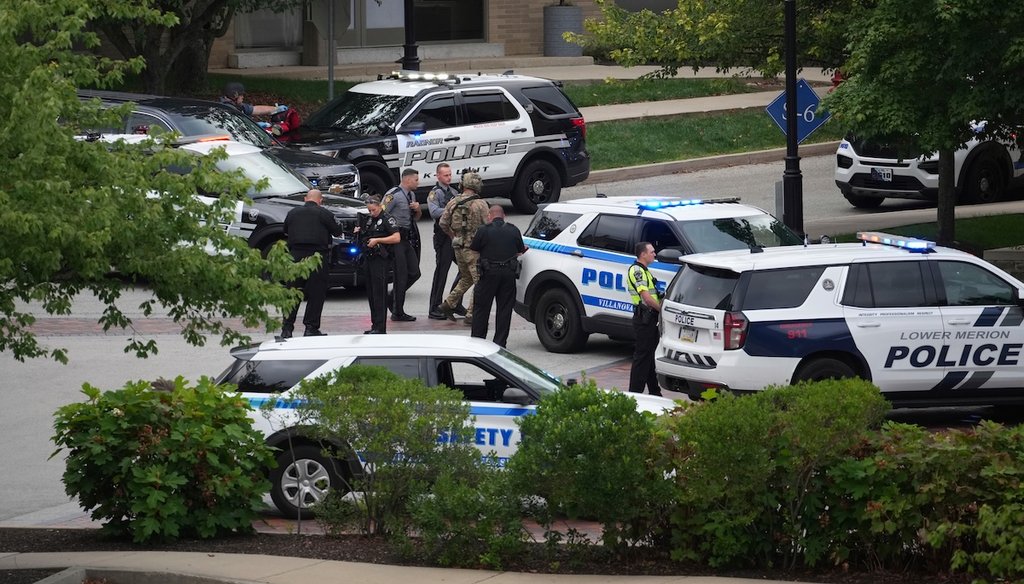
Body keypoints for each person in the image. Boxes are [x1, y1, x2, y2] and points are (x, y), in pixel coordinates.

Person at [281, 189, 344, 338]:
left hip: (295, 255)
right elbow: (337, 230)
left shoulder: (292, 213)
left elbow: (285, 230)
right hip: (317, 257)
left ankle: (287, 328)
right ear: (320, 200)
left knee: (292, 292)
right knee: (316, 294)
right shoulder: (324, 213)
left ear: (305, 199)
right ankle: (311, 328)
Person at [469, 205, 527, 348]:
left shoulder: (484, 230)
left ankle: (478, 341)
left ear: (490, 216)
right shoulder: (514, 230)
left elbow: (474, 247)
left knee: (481, 308)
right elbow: (521, 250)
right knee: (504, 309)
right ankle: (500, 343)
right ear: (504, 216)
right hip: (508, 274)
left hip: (488, 273)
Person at [438, 172, 489, 325]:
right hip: (474, 249)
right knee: (479, 281)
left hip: (458, 247)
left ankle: (448, 303)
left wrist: (453, 236)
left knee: (466, 278)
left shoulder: (453, 202)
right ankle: (472, 314)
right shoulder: (481, 204)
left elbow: (443, 223)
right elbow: (488, 225)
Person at [381, 168, 422, 321]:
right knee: (401, 275)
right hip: (395, 239)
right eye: (416, 180)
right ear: (407, 180)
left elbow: (416, 219)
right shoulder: (394, 195)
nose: (418, 182)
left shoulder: (411, 195)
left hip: (406, 239)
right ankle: (398, 312)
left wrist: (418, 210)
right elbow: (381, 213)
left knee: (415, 272)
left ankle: (393, 297)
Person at [356, 195, 400, 334]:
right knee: (371, 293)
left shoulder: (387, 219)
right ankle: (375, 325)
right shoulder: (370, 220)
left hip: (381, 260)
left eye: (373, 210)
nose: (371, 213)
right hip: (369, 258)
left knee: (379, 293)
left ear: (380, 206)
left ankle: (381, 327)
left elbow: (396, 237)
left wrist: (378, 240)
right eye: (369, 210)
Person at [426, 163, 462, 320]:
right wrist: (451, 208)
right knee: (442, 271)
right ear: (438, 176)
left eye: (450, 174)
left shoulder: (454, 192)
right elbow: (434, 212)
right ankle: (434, 307)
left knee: (465, 268)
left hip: (454, 236)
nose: (448, 177)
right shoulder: (435, 193)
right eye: (445, 175)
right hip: (442, 237)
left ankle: (454, 303)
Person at [627, 241, 663, 396]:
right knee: (642, 358)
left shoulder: (645, 271)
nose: (654, 254)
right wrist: (662, 310)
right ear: (643, 254)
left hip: (649, 319)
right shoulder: (637, 271)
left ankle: (655, 393)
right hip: (644, 319)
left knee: (648, 358)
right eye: (652, 252)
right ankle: (634, 395)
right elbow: (647, 299)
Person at [220, 82, 286, 119]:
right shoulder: (228, 109)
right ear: (235, 95)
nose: (243, 97)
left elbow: (255, 109)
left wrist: (276, 109)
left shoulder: (237, 105)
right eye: (241, 95)